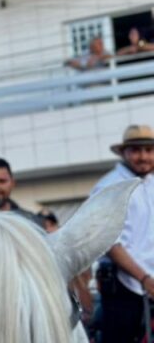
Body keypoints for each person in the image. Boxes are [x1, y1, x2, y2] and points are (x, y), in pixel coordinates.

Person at [91, 124, 153, 343]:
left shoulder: (151, 183)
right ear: (124, 153)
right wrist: (144, 278)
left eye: (149, 150)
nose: (143, 157)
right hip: (124, 285)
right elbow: (109, 241)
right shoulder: (110, 186)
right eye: (136, 150)